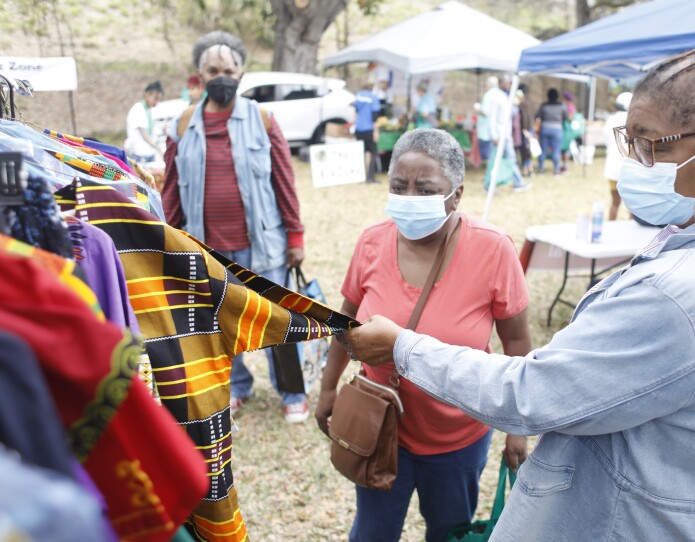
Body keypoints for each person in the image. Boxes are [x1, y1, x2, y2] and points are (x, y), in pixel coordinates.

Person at [341, 45, 695, 540]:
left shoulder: (681, 295)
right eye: (629, 140)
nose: (634, 161)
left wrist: (403, 347)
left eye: (654, 145)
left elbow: (531, 394)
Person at [316, 128, 532, 542]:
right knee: (373, 532)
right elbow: (343, 324)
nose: (410, 198)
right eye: (399, 186)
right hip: (380, 428)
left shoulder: (493, 249)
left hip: (458, 436)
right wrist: (327, 391)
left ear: (457, 194)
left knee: (448, 530)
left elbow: (518, 343)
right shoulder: (372, 243)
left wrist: (516, 426)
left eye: (425, 188)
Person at [162, 31, 309, 423]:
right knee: (219, 322)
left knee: (277, 319)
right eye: (213, 70)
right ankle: (238, 386)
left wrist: (295, 235)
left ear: (242, 73)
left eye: (229, 69)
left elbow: (284, 181)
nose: (221, 76)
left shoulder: (263, 119)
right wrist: (166, 237)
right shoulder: (182, 124)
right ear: (199, 73)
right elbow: (172, 189)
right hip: (206, 247)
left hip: (263, 246)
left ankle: (292, 391)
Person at [484, 74, 529, 192]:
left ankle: (517, 183)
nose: (509, 85)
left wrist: (516, 105)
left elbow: (508, 115)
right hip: (499, 135)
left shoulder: (506, 97)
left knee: (510, 158)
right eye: (507, 82)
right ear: (501, 83)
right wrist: (494, 135)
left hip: (506, 134)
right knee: (496, 160)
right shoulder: (496, 97)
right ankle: (489, 185)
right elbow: (492, 117)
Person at [602, 91, 632, 220]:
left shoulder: (610, 119)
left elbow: (605, 140)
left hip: (612, 167)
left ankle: (611, 227)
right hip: (629, 168)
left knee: (614, 204)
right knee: (633, 207)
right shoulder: (633, 120)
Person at [124, 80, 163, 163]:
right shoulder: (138, 109)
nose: (156, 102)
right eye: (155, 99)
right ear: (146, 94)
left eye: (159, 99)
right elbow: (145, 135)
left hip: (148, 154)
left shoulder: (149, 110)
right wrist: (158, 148)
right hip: (138, 155)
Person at [353, 82, 381, 183]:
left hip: (358, 128)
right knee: (373, 153)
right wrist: (376, 132)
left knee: (361, 153)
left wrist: (353, 126)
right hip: (368, 129)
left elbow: (356, 112)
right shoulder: (373, 98)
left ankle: (360, 175)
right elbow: (374, 117)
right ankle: (370, 177)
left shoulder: (358, 96)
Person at [535, 88, 565, 175]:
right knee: (556, 150)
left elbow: (537, 116)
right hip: (557, 129)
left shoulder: (544, 105)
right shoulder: (561, 105)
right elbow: (565, 117)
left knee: (543, 150)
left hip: (545, 128)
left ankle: (540, 169)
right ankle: (556, 170)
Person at [517, 84, 535, 177]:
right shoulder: (531, 101)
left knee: (525, 150)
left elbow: (525, 116)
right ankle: (530, 170)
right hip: (531, 128)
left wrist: (524, 128)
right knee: (529, 150)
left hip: (526, 129)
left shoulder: (523, 102)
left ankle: (525, 170)